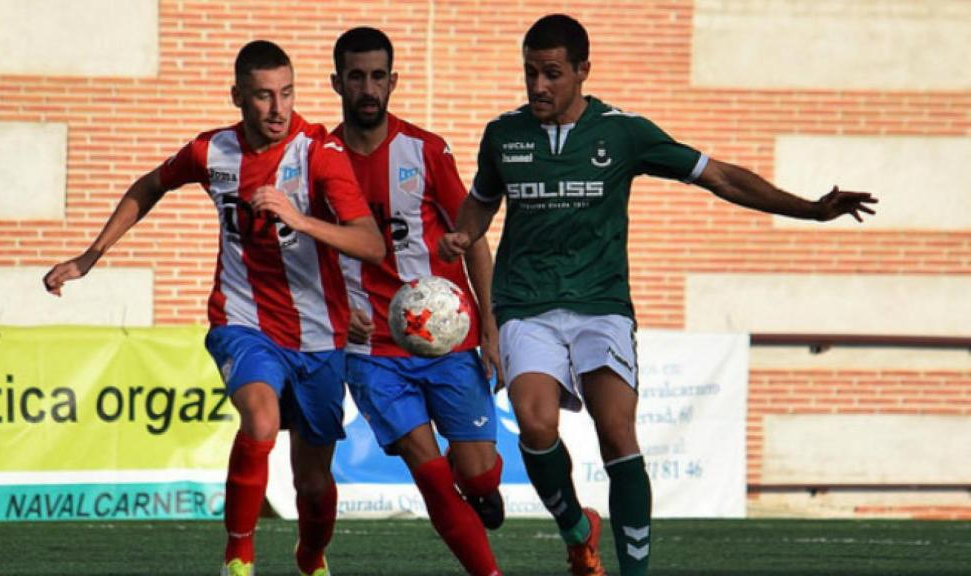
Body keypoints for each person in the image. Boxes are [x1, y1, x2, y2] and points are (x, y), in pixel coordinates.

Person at [439, 14, 878, 576]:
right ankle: (577, 530)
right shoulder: (504, 134)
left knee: (617, 431)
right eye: (530, 72)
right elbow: (481, 200)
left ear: (582, 71)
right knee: (535, 422)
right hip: (527, 304)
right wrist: (464, 232)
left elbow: (719, 176)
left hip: (601, 305)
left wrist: (810, 209)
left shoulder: (623, 133)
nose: (538, 85)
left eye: (552, 73)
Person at [43, 40, 385, 576]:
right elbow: (150, 185)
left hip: (319, 334)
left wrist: (300, 220)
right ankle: (238, 557)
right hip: (242, 320)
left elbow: (371, 243)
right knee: (261, 420)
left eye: (287, 93)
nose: (278, 108)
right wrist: (91, 255)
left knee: (313, 481)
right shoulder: (211, 152)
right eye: (264, 96)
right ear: (237, 97)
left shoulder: (320, 153)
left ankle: (311, 556)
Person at [329, 27, 505, 576]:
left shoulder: (426, 151)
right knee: (431, 478)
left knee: (477, 475)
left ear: (393, 81)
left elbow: (473, 237)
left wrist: (492, 327)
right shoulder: (319, 160)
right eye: (356, 77)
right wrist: (338, 318)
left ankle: (476, 482)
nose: (368, 89)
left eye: (377, 77)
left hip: (449, 338)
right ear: (337, 82)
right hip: (373, 350)